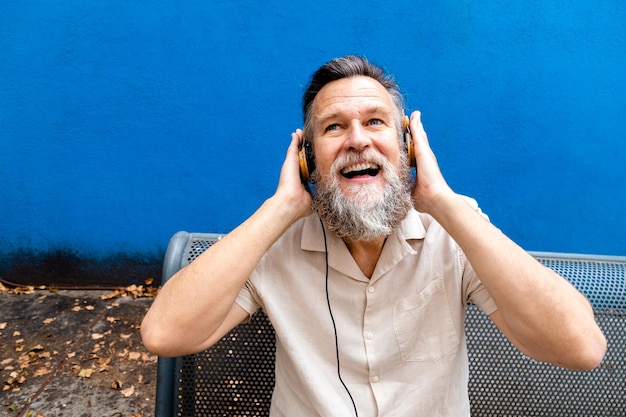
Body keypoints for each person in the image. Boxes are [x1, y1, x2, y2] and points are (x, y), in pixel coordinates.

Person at [141, 55, 606, 416]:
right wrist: (281, 207)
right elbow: (164, 333)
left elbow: (581, 347)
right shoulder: (275, 240)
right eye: (334, 127)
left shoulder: (453, 229)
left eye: (376, 121)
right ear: (307, 159)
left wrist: (442, 201)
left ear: (407, 145)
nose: (357, 139)